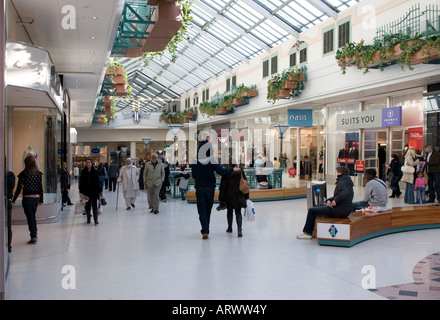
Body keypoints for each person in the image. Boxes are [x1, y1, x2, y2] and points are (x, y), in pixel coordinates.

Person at [191, 140, 239, 239]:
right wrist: (233, 169)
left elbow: (194, 175)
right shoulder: (211, 160)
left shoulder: (194, 161)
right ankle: (206, 230)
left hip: (200, 188)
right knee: (208, 210)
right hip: (210, 189)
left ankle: (205, 230)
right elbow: (222, 171)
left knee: (201, 210)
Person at [297, 166, 354, 240]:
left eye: (336, 172)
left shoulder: (341, 182)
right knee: (320, 208)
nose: (335, 174)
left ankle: (308, 233)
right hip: (346, 210)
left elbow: (345, 192)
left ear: (339, 173)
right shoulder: (347, 181)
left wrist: (335, 200)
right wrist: (328, 200)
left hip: (339, 211)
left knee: (312, 210)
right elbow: (340, 195)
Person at [12, 156, 44, 244]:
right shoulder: (38, 174)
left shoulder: (23, 174)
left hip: (27, 198)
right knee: (33, 216)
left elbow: (19, 188)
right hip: (36, 198)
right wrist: (41, 199)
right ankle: (34, 234)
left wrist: (14, 199)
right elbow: (40, 187)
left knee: (30, 217)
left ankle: (33, 236)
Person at [218, 164, 248, 237]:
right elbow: (245, 183)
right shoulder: (240, 172)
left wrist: (221, 198)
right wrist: (246, 197)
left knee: (229, 212)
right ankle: (239, 229)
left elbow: (222, 187)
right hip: (239, 195)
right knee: (238, 212)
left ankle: (230, 228)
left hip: (228, 196)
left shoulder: (226, 173)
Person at [79, 158, 102, 225]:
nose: (88, 164)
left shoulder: (95, 171)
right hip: (86, 191)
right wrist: (81, 191)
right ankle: (88, 219)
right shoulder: (83, 172)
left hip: (94, 191)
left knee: (94, 205)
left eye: (89, 162)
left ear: (92, 163)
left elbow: (98, 182)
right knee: (87, 205)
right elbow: (81, 182)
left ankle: (96, 220)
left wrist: (100, 190)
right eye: (87, 162)